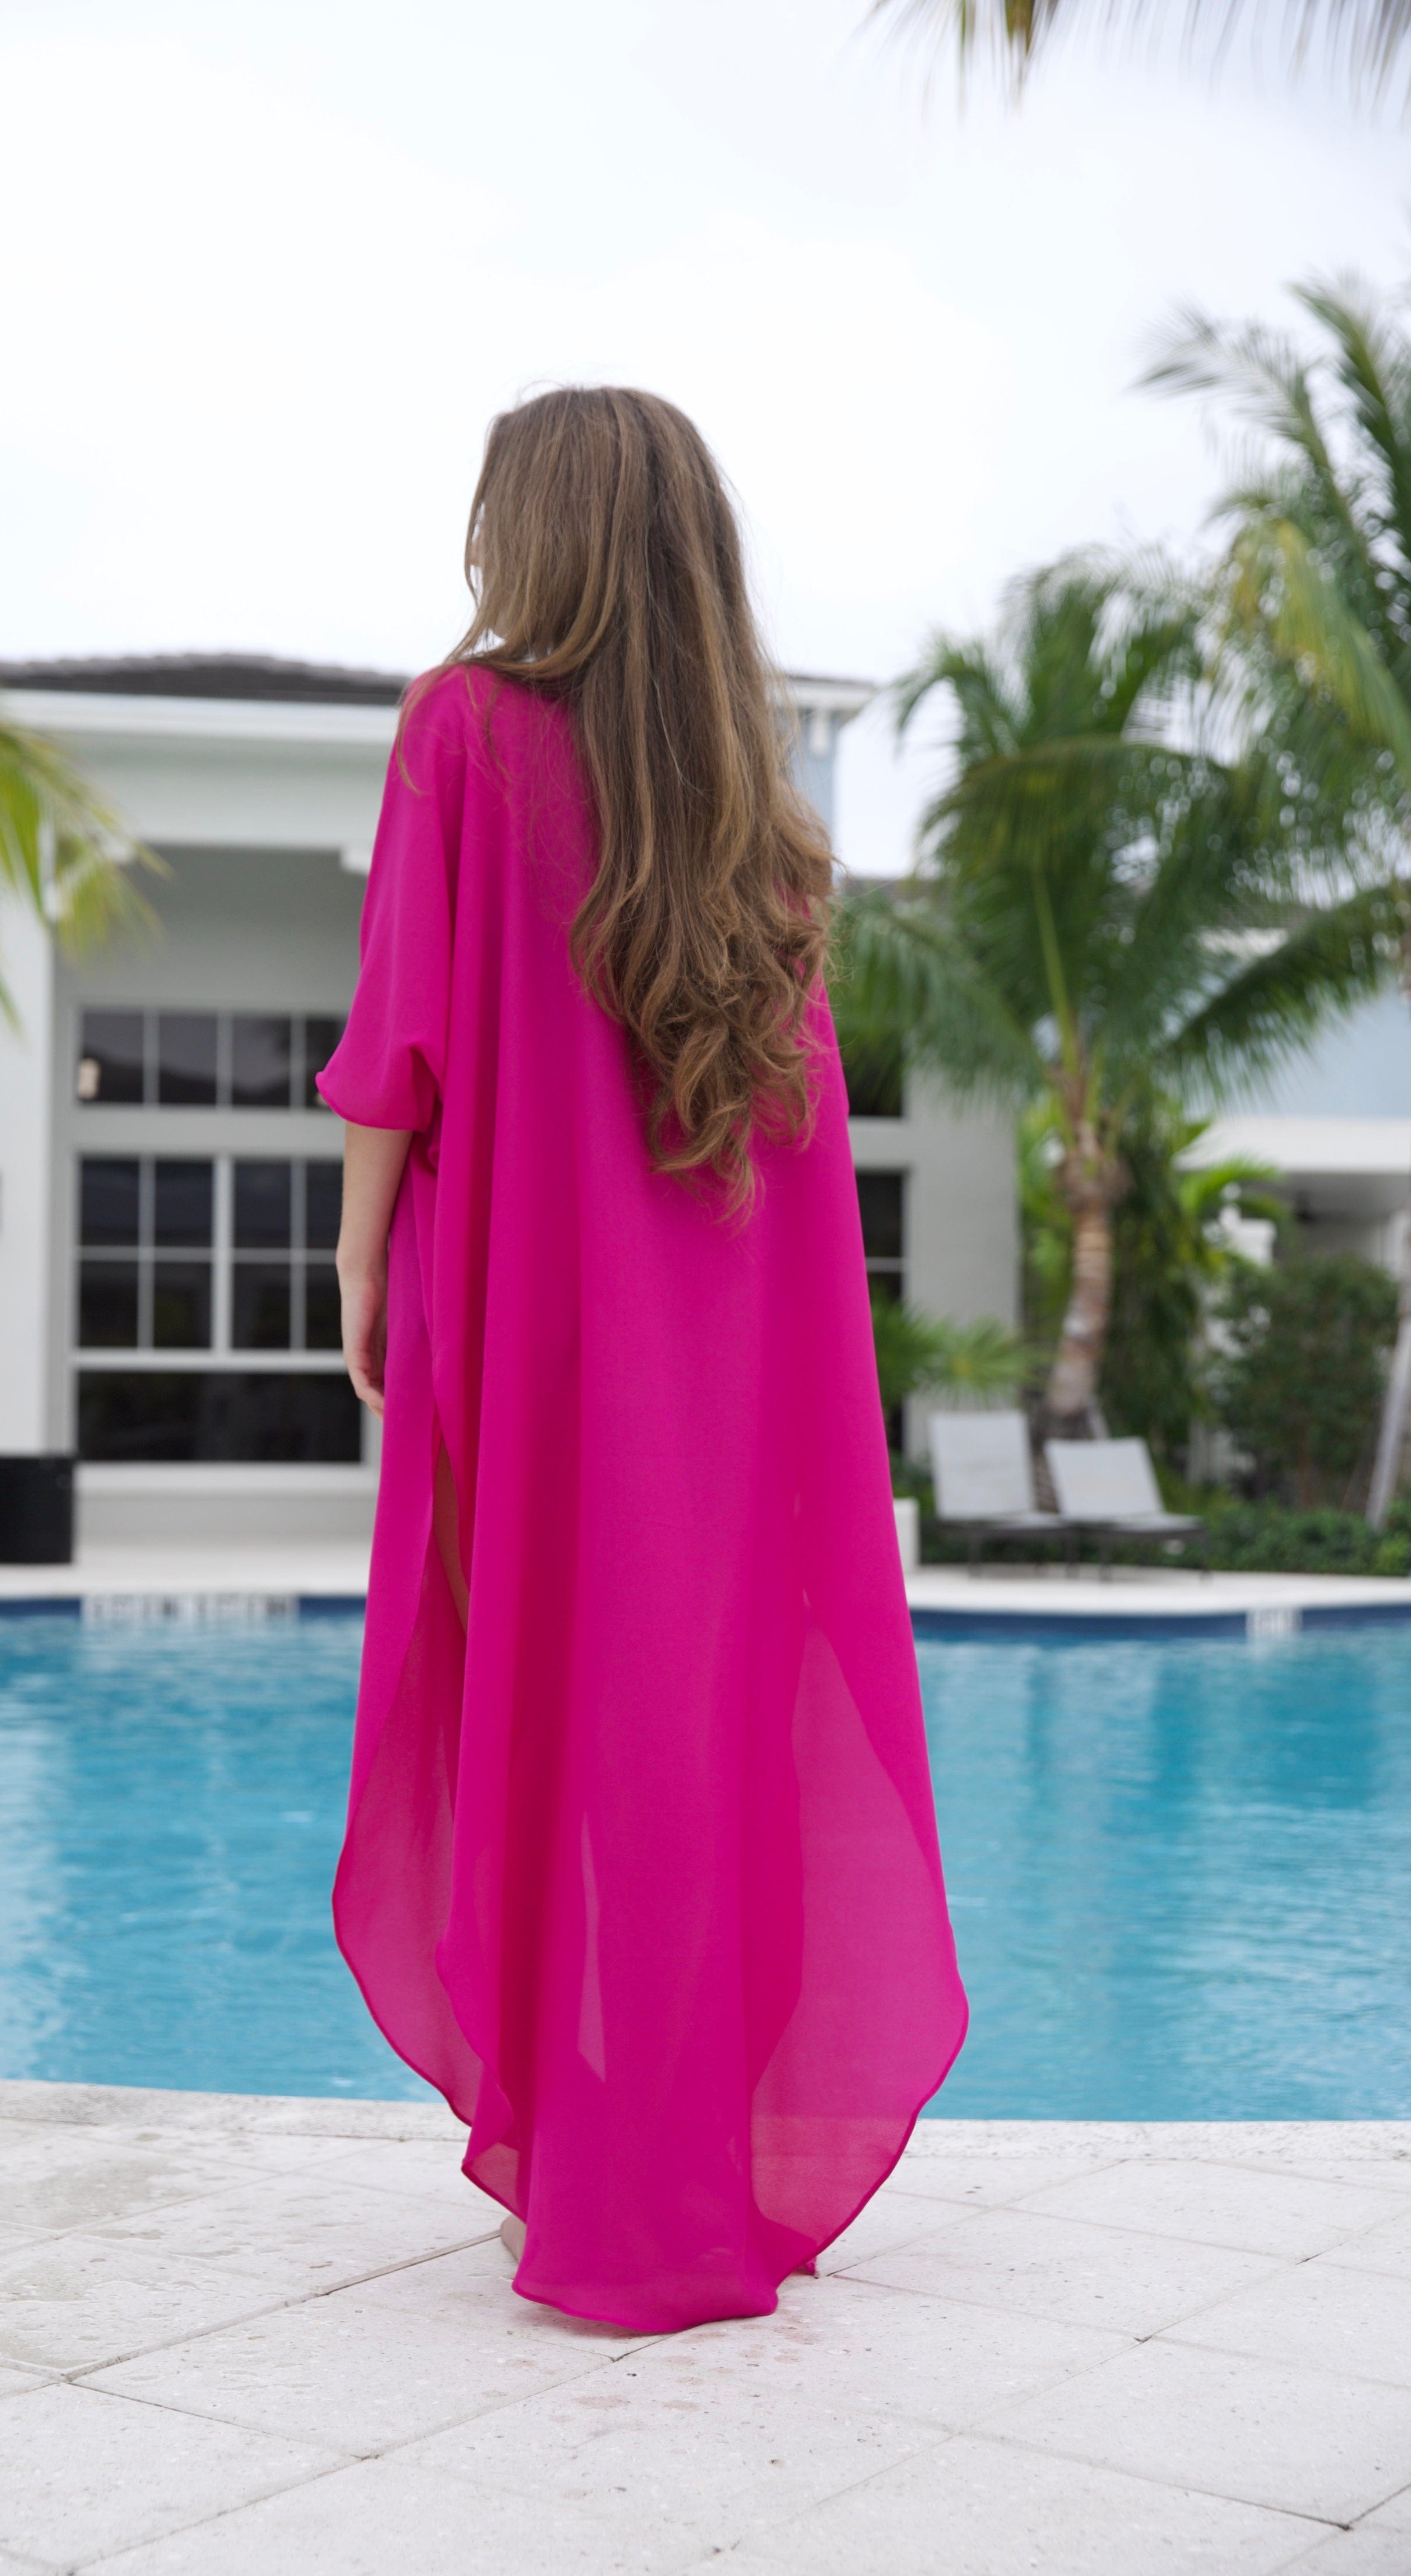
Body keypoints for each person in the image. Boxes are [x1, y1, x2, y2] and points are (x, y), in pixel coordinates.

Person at [317, 387, 965, 2333]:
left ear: (549, 535)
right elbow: (800, 1145)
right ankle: (671, 2167)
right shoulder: (756, 818)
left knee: (523, 1697)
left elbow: (398, 1044)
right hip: (725, 1361)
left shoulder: (460, 729)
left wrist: (356, 1264)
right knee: (684, 1740)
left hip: (525, 1321)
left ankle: (576, 2164)